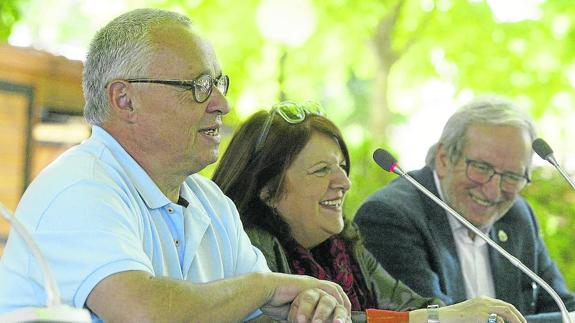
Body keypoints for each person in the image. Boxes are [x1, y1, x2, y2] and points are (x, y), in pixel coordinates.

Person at [0, 9, 353, 323]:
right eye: (199, 86)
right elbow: (142, 313)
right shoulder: (79, 188)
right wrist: (265, 286)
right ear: (125, 100)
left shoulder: (209, 201)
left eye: (218, 83)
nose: (221, 104)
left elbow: (259, 313)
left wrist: (305, 309)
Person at [212, 100, 526, 323]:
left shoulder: (344, 245)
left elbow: (416, 305)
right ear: (266, 189)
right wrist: (432, 318)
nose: (344, 183)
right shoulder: (247, 249)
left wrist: (456, 314)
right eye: (322, 170)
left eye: (343, 168)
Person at [354, 96, 575, 319]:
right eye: (481, 168)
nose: (493, 190)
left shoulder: (518, 215)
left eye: (512, 176)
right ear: (443, 159)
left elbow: (563, 307)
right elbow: (436, 319)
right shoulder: (390, 216)